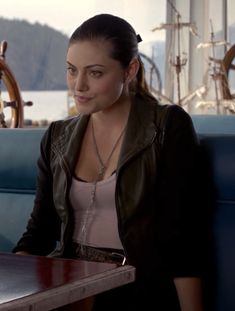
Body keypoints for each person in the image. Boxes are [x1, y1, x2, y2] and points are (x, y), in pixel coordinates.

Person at [13, 13, 207, 310]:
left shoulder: (167, 127)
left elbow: (182, 239)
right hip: (68, 280)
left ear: (130, 70)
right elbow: (39, 233)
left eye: (95, 73)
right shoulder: (57, 136)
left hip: (135, 283)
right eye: (71, 70)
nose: (78, 85)